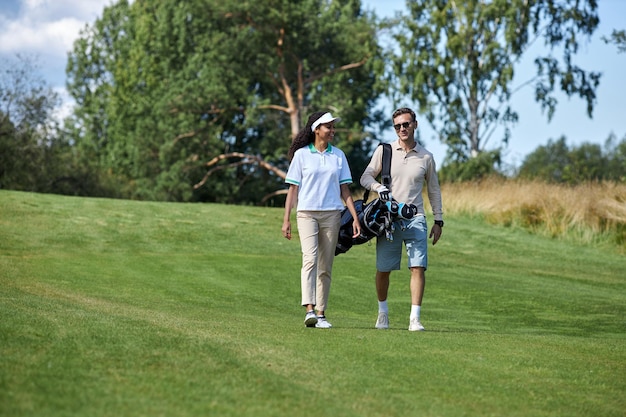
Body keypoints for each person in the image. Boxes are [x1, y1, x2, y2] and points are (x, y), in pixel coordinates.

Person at [360, 107, 443, 331]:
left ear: (415, 124)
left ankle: (414, 318)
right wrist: (378, 187)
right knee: (383, 269)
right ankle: (383, 313)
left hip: (415, 217)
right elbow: (365, 176)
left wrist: (438, 220)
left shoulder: (426, 157)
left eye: (406, 124)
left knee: (418, 267)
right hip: (389, 219)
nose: (402, 129)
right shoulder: (384, 150)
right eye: (397, 126)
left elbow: (433, 189)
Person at [282, 111, 362, 329]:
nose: (332, 130)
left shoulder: (339, 156)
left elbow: (345, 189)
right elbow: (292, 190)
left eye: (333, 127)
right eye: (328, 126)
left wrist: (355, 217)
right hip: (306, 213)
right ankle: (309, 310)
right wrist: (286, 220)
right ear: (316, 129)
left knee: (326, 265)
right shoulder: (301, 155)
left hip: (332, 215)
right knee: (310, 259)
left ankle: (321, 313)